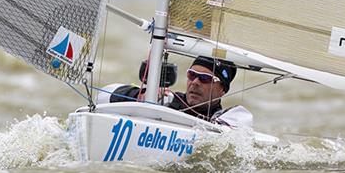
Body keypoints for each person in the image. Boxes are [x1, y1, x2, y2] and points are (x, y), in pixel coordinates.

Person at [97, 56, 253, 128]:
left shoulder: (230, 118)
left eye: (205, 78)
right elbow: (102, 94)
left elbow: (242, 127)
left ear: (222, 90)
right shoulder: (167, 100)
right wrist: (141, 96)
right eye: (192, 75)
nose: (195, 82)